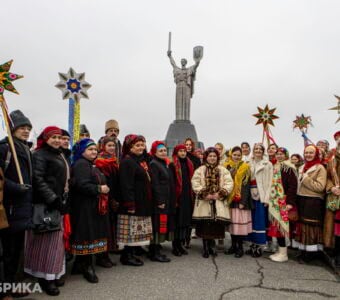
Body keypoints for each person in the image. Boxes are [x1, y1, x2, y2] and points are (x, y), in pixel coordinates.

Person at [24, 126, 69, 296]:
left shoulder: (58, 154)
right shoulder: (40, 154)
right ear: (46, 138)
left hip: (56, 203)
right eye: (53, 137)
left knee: (55, 244)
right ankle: (46, 279)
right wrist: (53, 199)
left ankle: (53, 274)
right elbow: (37, 178)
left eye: (59, 137)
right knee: (45, 244)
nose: (57, 140)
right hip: (45, 205)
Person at [0, 110, 33, 299]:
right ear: (12, 128)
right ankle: (4, 290)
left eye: (28, 128)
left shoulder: (25, 148)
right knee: (7, 251)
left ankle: (11, 285)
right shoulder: (5, 148)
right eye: (22, 127)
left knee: (16, 250)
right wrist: (15, 187)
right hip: (10, 207)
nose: (26, 131)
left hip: (23, 207)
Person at [70, 138, 110, 283]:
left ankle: (79, 265)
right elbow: (81, 185)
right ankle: (87, 267)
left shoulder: (88, 164)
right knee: (87, 235)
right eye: (90, 149)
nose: (94, 152)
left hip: (90, 205)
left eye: (95, 149)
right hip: (84, 206)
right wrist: (99, 189)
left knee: (88, 234)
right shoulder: (81, 165)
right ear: (82, 151)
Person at [191, 147, 233, 258]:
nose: (212, 158)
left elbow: (229, 183)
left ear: (217, 157)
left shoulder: (223, 170)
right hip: (204, 202)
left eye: (214, 156)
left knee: (215, 224)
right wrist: (205, 194)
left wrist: (221, 193)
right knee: (205, 224)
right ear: (206, 157)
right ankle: (205, 246)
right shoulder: (200, 170)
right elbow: (195, 183)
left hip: (218, 201)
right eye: (210, 156)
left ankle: (212, 246)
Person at [117, 135, 153, 266]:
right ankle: (126, 256)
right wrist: (130, 203)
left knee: (135, 231)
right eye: (137, 145)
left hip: (141, 200)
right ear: (130, 147)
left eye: (142, 145)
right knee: (130, 231)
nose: (141, 148)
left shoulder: (139, 161)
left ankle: (131, 254)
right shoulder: (127, 162)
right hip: (133, 201)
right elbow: (126, 185)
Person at [293, 145, 327, 263]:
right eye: (306, 152)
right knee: (302, 226)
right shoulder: (302, 167)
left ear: (316, 154)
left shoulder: (320, 168)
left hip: (313, 201)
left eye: (311, 153)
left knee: (311, 226)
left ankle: (311, 253)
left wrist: (306, 178)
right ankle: (303, 249)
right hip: (302, 199)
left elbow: (320, 187)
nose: (308, 155)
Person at [267, 147, 297, 262]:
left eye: (281, 154)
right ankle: (280, 250)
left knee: (281, 228)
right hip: (275, 202)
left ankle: (284, 254)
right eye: (277, 154)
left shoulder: (288, 168)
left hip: (284, 202)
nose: (279, 156)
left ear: (286, 155)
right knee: (276, 228)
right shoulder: (276, 167)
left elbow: (292, 187)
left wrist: (289, 203)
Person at [149, 141, 176, 262]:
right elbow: (155, 184)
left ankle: (156, 249)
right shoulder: (154, 164)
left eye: (165, 150)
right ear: (154, 152)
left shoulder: (163, 163)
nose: (163, 152)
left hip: (166, 199)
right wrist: (159, 200)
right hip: (160, 201)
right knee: (157, 225)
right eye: (160, 151)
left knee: (161, 225)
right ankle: (154, 252)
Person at [224, 146, 252, 258]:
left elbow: (246, 185)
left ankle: (240, 248)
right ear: (231, 155)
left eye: (239, 155)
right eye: (235, 155)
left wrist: (243, 201)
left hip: (239, 199)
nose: (236, 157)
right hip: (230, 199)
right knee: (232, 225)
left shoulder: (245, 167)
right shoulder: (226, 166)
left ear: (241, 156)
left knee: (239, 226)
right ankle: (233, 246)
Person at [246, 143, 273, 258]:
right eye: (255, 149)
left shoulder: (268, 164)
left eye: (260, 149)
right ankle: (251, 244)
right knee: (250, 219)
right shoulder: (248, 163)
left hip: (261, 194)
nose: (257, 151)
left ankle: (259, 246)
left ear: (263, 151)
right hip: (249, 194)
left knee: (259, 220)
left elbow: (270, 181)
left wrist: (267, 198)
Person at [95, 136, 120, 256]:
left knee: (112, 222)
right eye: (109, 145)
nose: (112, 148)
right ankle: (103, 253)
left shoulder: (114, 160)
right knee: (105, 224)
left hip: (113, 194)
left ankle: (111, 248)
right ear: (103, 146)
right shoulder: (100, 161)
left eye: (113, 145)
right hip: (105, 196)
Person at [170, 144, 194, 256]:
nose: (183, 153)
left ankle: (181, 244)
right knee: (177, 222)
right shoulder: (173, 164)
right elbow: (171, 182)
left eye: (184, 151)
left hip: (187, 196)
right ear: (176, 152)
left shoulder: (189, 163)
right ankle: (175, 246)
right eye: (180, 151)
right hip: (177, 197)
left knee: (184, 222)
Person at [167, 50, 200, 121]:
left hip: (186, 87)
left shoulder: (189, 69)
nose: (182, 62)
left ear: (186, 63)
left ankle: (186, 119)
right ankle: (178, 118)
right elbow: (173, 64)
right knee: (178, 103)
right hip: (179, 86)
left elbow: (196, 65)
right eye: (182, 61)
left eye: (184, 61)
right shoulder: (177, 69)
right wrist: (170, 56)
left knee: (186, 102)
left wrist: (198, 59)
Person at [324, 131, 340, 267]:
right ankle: (332, 252)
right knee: (332, 224)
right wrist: (331, 188)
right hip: (333, 194)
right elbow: (327, 176)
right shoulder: (331, 157)